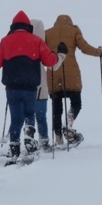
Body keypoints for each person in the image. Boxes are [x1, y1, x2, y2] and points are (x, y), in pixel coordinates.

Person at [0, 11, 66, 164]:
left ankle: (14, 146)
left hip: (12, 87)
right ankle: (29, 133)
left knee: (16, 117)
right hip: (30, 85)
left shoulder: (5, 41)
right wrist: (58, 56)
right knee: (30, 112)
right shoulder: (36, 40)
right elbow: (49, 61)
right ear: (27, 26)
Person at [45, 14, 102, 148]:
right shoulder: (74, 31)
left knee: (56, 108)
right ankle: (69, 122)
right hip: (72, 74)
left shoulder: (47, 33)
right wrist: (98, 52)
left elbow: (41, 52)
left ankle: (58, 139)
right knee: (76, 103)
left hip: (54, 71)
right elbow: (84, 47)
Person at [30, 19, 64, 151]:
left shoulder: (19, 44)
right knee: (41, 116)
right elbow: (53, 65)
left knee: (27, 116)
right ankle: (43, 141)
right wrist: (61, 55)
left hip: (20, 86)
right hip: (40, 86)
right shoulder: (40, 46)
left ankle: (28, 140)